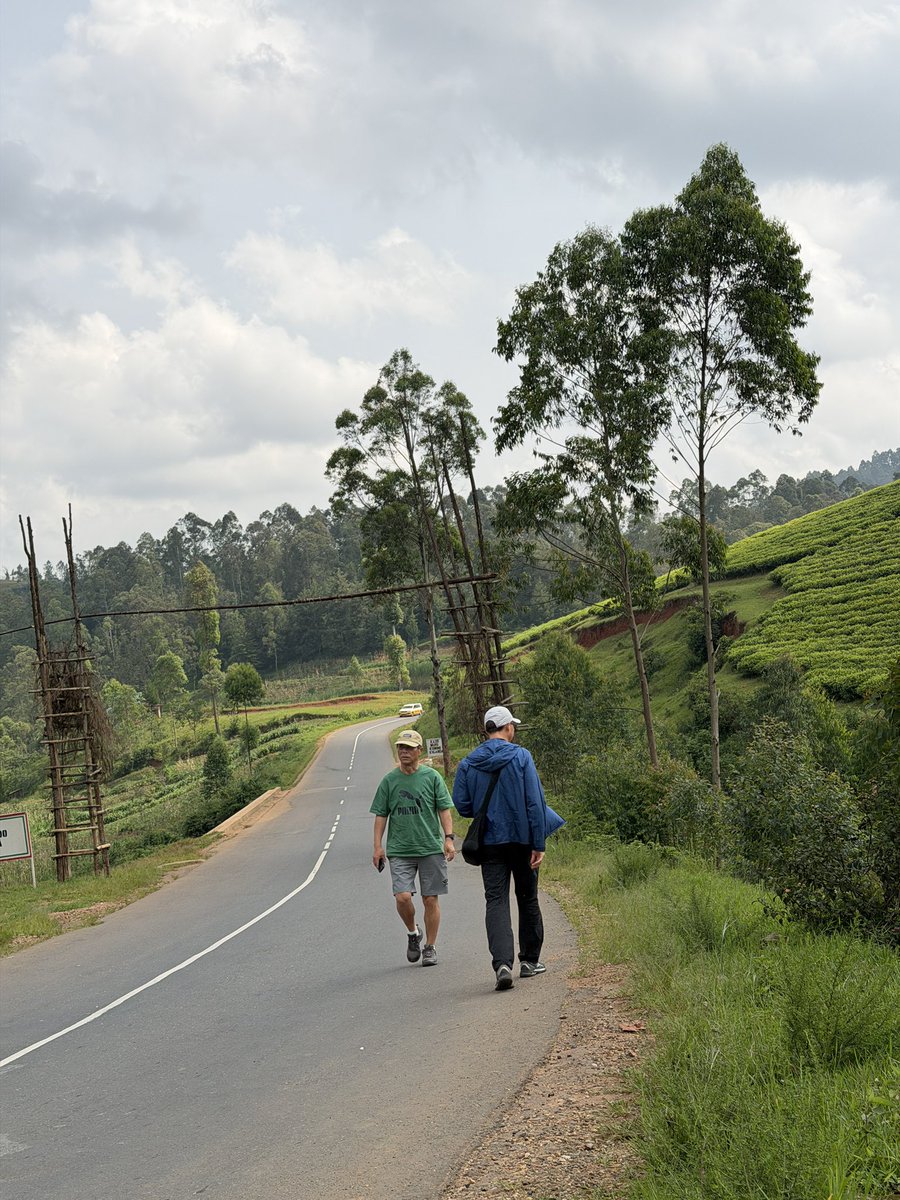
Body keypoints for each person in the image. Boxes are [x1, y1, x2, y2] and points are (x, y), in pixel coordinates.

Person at [452, 705, 562, 991]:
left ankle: (502, 964)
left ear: (487, 730)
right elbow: (535, 804)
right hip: (523, 841)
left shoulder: (468, 763)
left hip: (489, 843)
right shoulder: (522, 757)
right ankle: (529, 961)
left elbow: (463, 805)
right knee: (527, 897)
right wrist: (539, 843)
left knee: (496, 901)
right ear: (508, 728)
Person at [371, 728, 455, 966]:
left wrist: (448, 838)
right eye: (400, 747)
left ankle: (430, 946)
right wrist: (378, 847)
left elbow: (444, 809)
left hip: (429, 847)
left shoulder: (432, 777)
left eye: (408, 748)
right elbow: (380, 815)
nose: (403, 752)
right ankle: (412, 933)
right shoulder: (389, 781)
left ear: (419, 751)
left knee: (430, 899)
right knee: (403, 897)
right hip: (400, 849)